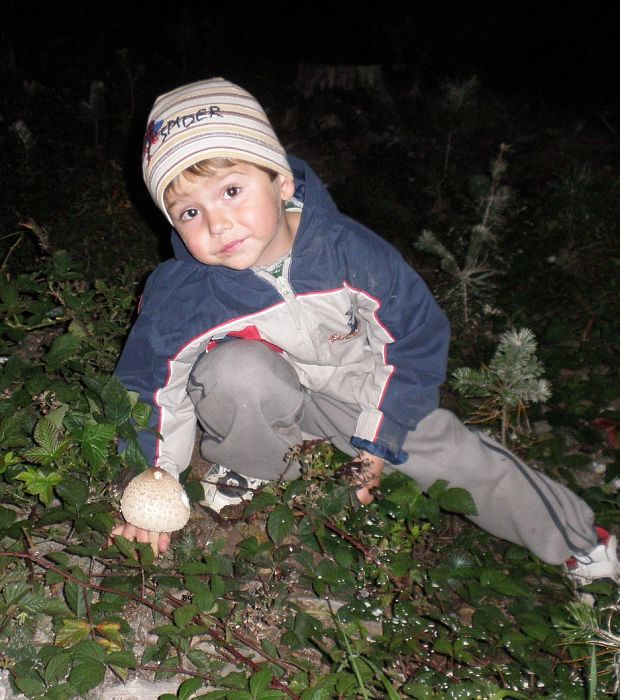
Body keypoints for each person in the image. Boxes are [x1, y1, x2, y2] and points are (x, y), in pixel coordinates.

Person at [112, 77, 618, 586]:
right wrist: (154, 485)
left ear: (281, 182)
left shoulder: (349, 253)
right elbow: (149, 389)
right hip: (267, 394)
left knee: (456, 455)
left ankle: (577, 541)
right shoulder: (186, 294)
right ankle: (257, 468)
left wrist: (375, 448)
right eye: (190, 212)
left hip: (360, 391)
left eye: (232, 191)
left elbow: (413, 341)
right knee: (234, 369)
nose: (218, 224)